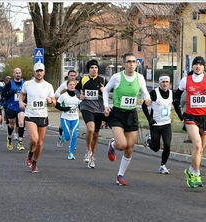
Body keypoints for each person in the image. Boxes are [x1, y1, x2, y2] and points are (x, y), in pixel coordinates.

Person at [173, 56, 206, 188]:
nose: (198, 67)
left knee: (200, 149)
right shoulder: (186, 80)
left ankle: (190, 170)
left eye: (200, 65)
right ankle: (196, 174)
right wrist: (176, 103)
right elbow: (177, 94)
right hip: (191, 117)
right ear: (193, 67)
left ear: (203, 67)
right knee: (197, 144)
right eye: (196, 64)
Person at [102, 52, 151, 185]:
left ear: (136, 63)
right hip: (118, 113)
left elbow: (144, 91)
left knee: (129, 147)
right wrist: (106, 106)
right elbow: (106, 90)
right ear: (124, 64)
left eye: (134, 62)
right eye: (129, 61)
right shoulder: (117, 77)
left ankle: (120, 175)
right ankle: (112, 144)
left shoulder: (139, 77)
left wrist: (147, 99)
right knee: (122, 145)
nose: (131, 64)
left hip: (131, 114)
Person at [142, 73, 183, 174]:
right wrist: (149, 119)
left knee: (167, 145)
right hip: (155, 124)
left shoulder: (171, 93)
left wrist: (181, 117)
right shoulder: (154, 93)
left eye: (167, 82)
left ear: (169, 83)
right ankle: (148, 139)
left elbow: (176, 106)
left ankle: (163, 165)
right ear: (159, 83)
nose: (165, 84)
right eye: (163, 82)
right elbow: (143, 106)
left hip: (166, 124)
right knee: (156, 148)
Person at [19, 62, 56, 173]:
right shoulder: (27, 84)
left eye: (41, 71)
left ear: (44, 72)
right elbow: (22, 94)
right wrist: (20, 102)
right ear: (34, 72)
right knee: (34, 140)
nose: (39, 73)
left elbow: (54, 101)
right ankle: (30, 153)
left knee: (40, 143)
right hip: (30, 115)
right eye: (37, 71)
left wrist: (51, 101)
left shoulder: (48, 86)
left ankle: (34, 162)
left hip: (43, 116)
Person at [75, 59, 107, 168]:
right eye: (92, 68)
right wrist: (80, 96)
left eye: (96, 68)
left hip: (99, 109)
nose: (94, 70)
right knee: (90, 129)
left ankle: (92, 156)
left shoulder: (102, 80)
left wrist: (105, 90)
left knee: (96, 134)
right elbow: (76, 90)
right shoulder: (84, 80)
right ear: (89, 70)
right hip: (86, 107)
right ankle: (88, 150)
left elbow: (111, 92)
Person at [55, 79, 81, 160]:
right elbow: (57, 105)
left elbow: (81, 105)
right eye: (70, 84)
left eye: (73, 84)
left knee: (74, 135)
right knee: (67, 137)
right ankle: (61, 138)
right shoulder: (63, 96)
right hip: (65, 118)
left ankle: (71, 153)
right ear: (67, 86)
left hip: (75, 118)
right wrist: (64, 108)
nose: (72, 86)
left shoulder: (78, 95)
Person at [1, 68, 25, 151]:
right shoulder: (9, 84)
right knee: (11, 124)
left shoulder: (24, 84)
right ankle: (10, 138)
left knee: (21, 123)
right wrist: (11, 93)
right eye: (16, 73)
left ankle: (20, 142)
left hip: (21, 107)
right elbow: (3, 94)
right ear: (13, 74)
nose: (18, 74)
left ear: (21, 74)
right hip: (11, 107)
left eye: (19, 73)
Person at [55, 69, 78, 148]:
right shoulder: (64, 85)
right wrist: (64, 96)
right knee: (62, 125)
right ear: (68, 76)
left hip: (74, 108)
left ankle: (72, 144)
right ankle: (61, 137)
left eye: (74, 76)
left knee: (73, 127)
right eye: (71, 75)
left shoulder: (77, 85)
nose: (72, 77)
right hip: (64, 106)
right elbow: (56, 93)